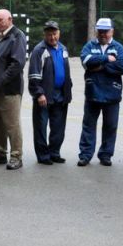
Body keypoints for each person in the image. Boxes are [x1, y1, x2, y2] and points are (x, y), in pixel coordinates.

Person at [77, 18, 123, 167]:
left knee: (110, 126)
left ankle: (106, 155)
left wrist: (99, 66)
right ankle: (85, 155)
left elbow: (121, 67)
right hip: (93, 93)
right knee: (88, 126)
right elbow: (85, 60)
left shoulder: (119, 48)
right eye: (100, 31)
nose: (103, 34)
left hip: (112, 95)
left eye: (106, 31)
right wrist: (106, 59)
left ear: (112, 31)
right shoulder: (89, 45)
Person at [0, 9, 27, 170]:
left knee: (12, 125)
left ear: (10, 19)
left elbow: (17, 64)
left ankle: (16, 156)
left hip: (9, 90)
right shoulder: (2, 37)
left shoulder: (17, 36)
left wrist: (0, 81)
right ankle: (0, 153)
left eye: (0, 20)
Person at [27, 20, 72, 165]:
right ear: (44, 35)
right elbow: (34, 74)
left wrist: (68, 90)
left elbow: (66, 72)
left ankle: (54, 153)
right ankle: (43, 156)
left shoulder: (63, 49)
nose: (52, 37)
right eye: (49, 34)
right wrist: (39, 93)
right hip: (44, 96)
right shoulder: (39, 50)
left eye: (54, 34)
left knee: (58, 127)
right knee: (41, 127)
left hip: (60, 95)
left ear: (59, 33)